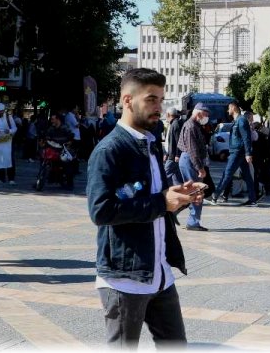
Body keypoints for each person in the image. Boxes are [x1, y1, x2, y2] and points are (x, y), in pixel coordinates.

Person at [86, 68, 203, 347]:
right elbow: (101, 211)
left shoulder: (150, 144)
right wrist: (161, 202)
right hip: (125, 279)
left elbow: (156, 202)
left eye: (160, 100)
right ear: (127, 100)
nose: (158, 108)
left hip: (160, 274)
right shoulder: (110, 150)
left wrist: (178, 198)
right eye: (151, 99)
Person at [212, 103, 257, 206]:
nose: (228, 111)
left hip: (238, 152)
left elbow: (246, 137)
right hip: (237, 151)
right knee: (247, 176)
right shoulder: (237, 121)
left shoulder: (241, 120)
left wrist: (248, 153)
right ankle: (253, 199)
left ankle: (215, 195)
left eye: (229, 108)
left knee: (227, 173)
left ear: (233, 108)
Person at [176, 105, 211, 230]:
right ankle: (193, 222)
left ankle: (176, 213)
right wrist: (200, 168)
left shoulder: (194, 125)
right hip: (190, 161)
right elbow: (193, 150)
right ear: (199, 114)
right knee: (197, 191)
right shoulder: (191, 126)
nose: (207, 118)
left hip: (188, 160)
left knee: (192, 191)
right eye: (206, 115)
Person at [163, 108, 185, 186]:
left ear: (168, 115)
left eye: (166, 115)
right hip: (171, 155)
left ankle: (162, 190)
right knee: (176, 177)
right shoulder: (172, 124)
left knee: (164, 174)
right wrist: (166, 153)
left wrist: (177, 154)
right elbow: (169, 141)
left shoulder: (176, 124)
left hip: (173, 157)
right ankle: (180, 189)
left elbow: (178, 141)